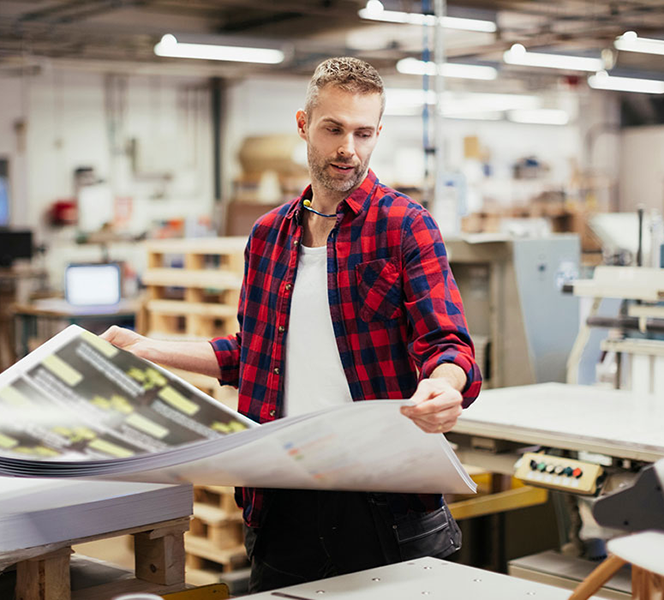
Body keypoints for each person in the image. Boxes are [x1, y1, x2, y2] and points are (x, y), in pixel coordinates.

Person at [102, 56, 482, 592]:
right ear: (304, 125)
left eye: (363, 132)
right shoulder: (266, 236)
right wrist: (152, 350)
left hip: (386, 504)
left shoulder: (406, 227)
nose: (348, 147)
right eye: (333, 129)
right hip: (281, 501)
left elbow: (447, 344)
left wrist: (445, 387)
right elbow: (250, 354)